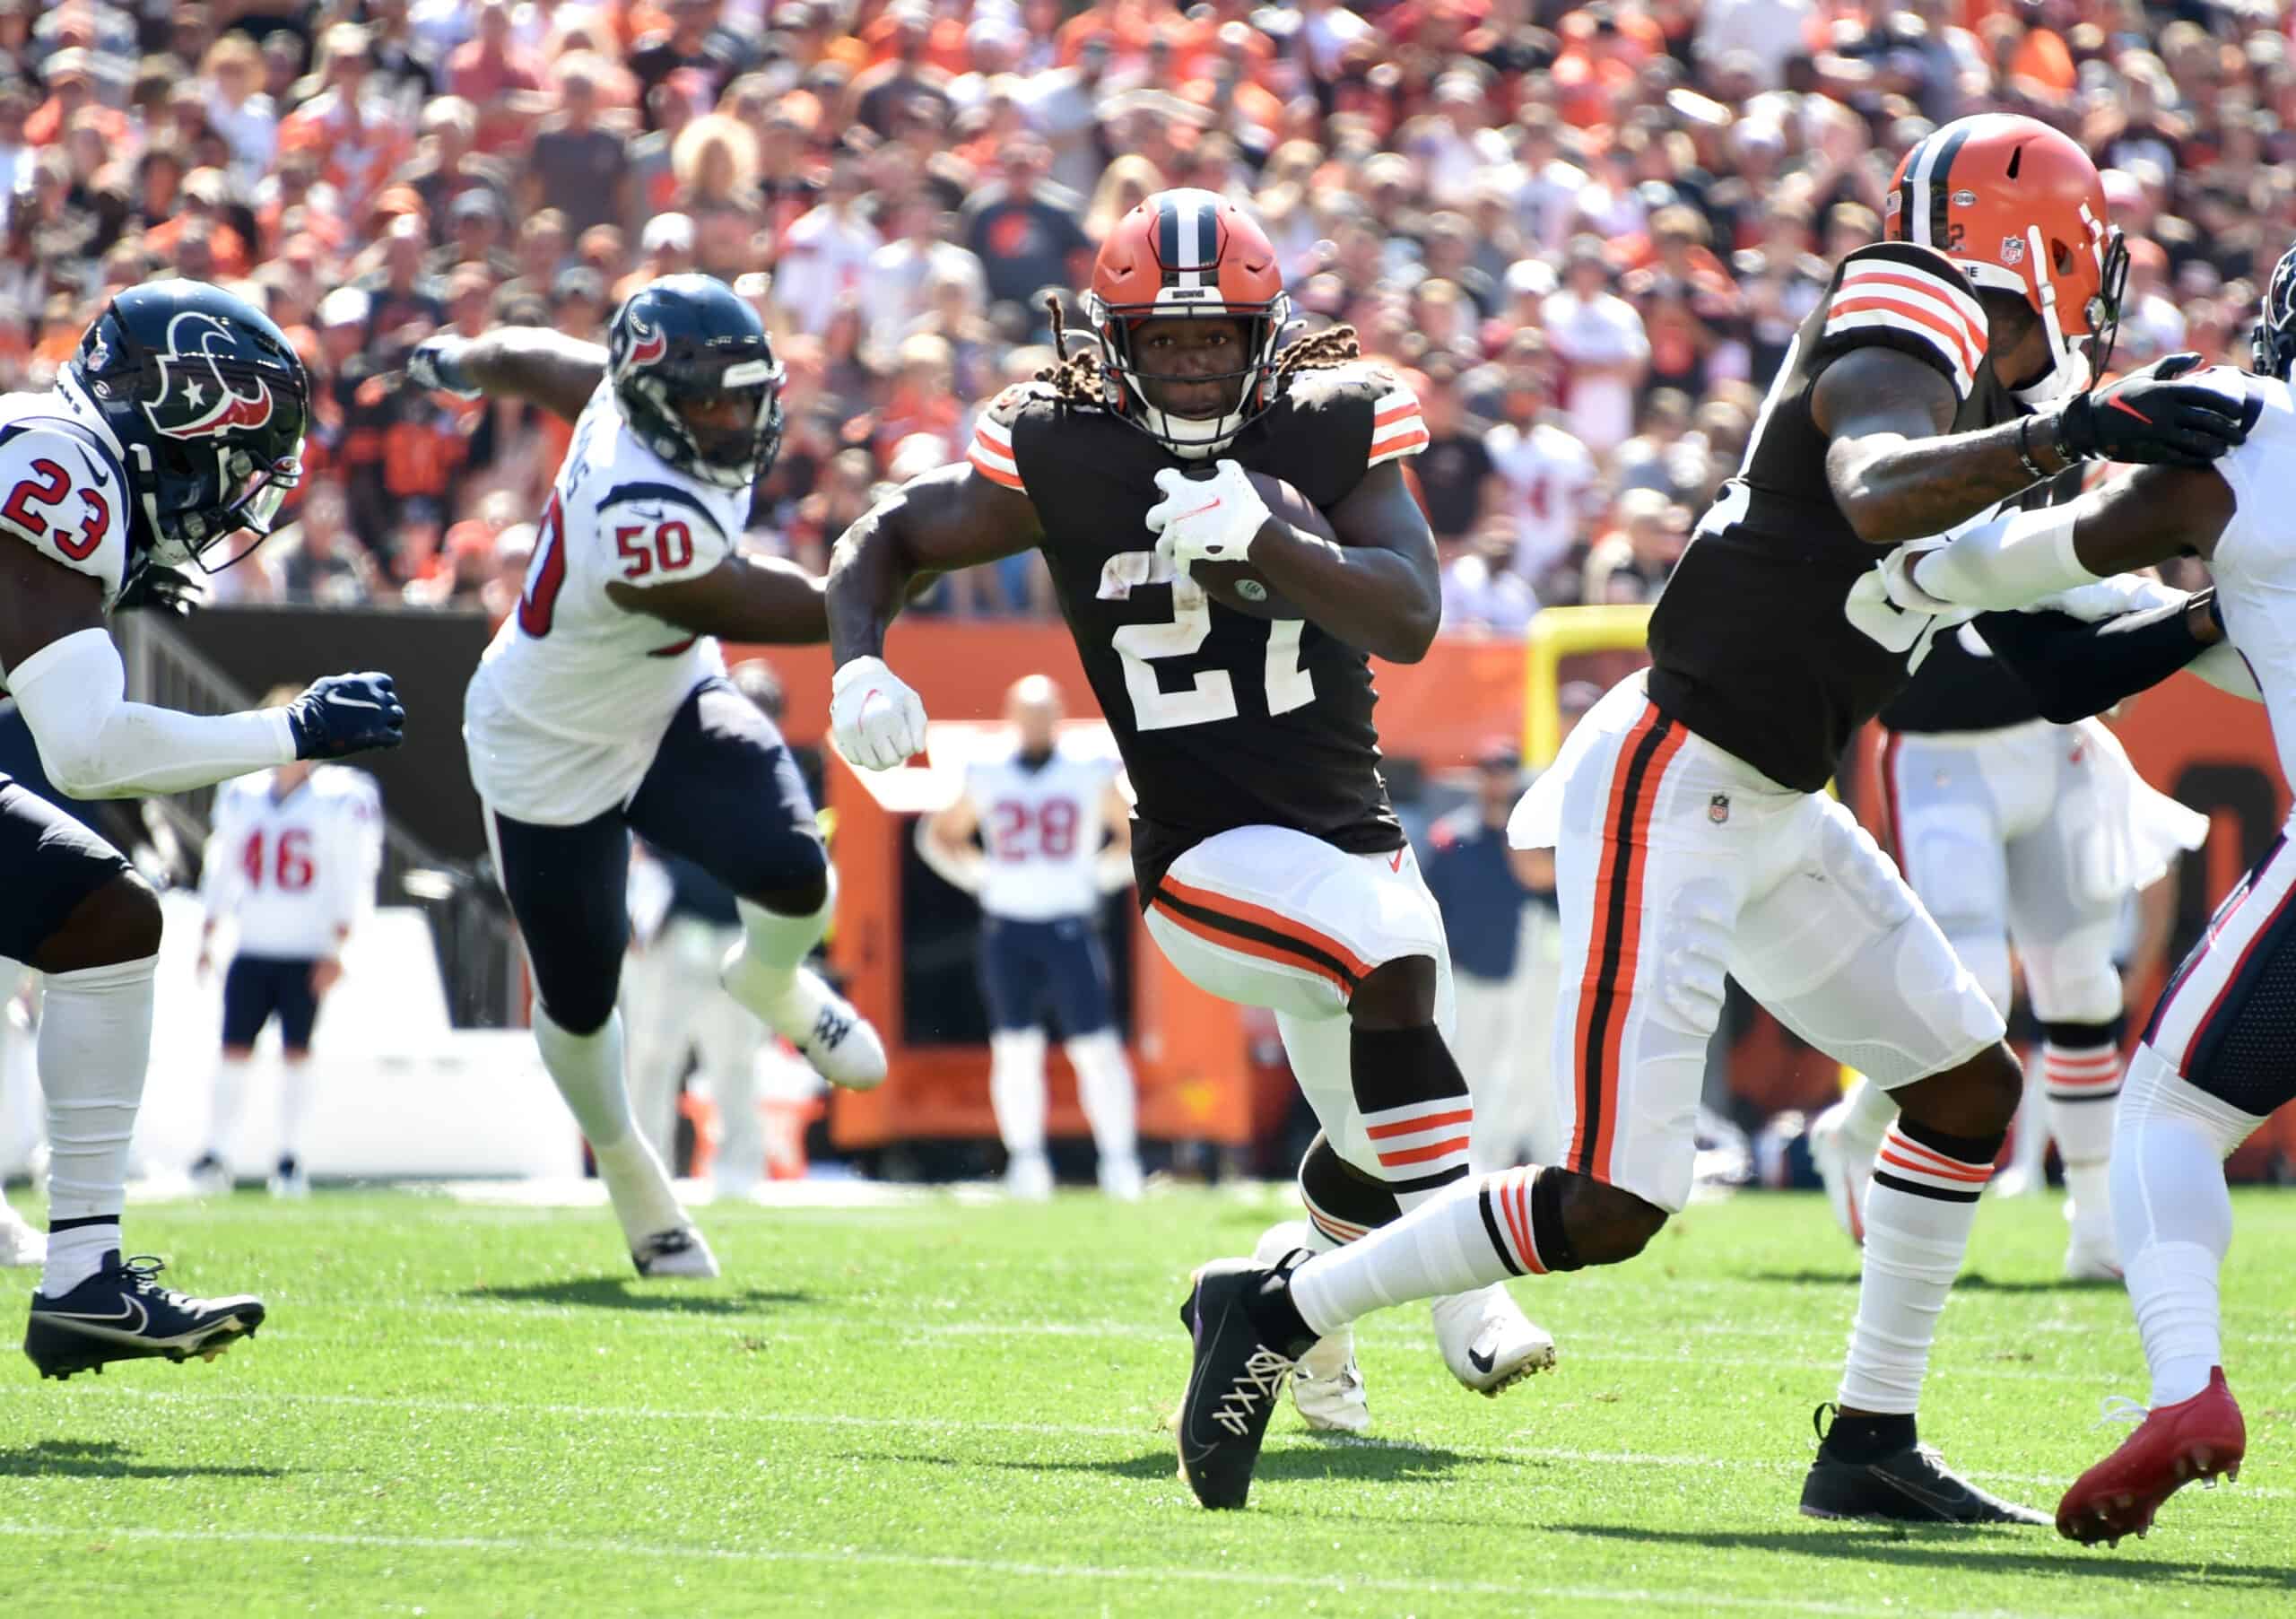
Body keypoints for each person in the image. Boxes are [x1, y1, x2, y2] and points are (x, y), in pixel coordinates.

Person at [1152, 116, 2257, 1513]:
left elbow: (2061, 664)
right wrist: (2078, 431)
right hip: (1674, 777)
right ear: (2028, 242)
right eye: (2087, 256)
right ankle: (1278, 1304)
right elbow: (1868, 491)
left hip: (1779, 804)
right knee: (1614, 1201)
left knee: (1969, 1089)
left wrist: (2228, 608)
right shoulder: (1907, 303)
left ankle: (1868, 1443)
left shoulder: (2012, 440)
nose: (2097, 296)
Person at [823, 188, 1556, 1457]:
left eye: (1216, 335)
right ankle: (1469, 1296)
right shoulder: (1060, 443)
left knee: (1378, 1146)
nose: (1194, 361)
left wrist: (1270, 538)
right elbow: (893, 534)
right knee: (1395, 965)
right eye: (1164, 341)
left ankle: (1281, 1303)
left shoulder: (1335, 421)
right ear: (1111, 341)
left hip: (1347, 832)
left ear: (1267, 331)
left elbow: (1408, 614)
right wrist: (854, 661)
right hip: (1204, 852)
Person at [1870, 241, 2296, 1547]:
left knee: (2170, 1110)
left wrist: (1920, 577)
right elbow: (2225, 640)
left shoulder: (2256, 433)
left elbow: (2042, 563)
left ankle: (2186, 1394)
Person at [409, 274, 881, 1280]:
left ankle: (766, 977)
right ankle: (633, 1174)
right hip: (550, 742)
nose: (730, 417)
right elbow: (794, 608)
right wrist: (915, 549)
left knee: (797, 872)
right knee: (582, 999)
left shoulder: (624, 393)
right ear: (659, 403)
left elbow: (532, 357)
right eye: (707, 401)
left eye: (742, 394)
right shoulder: (639, 509)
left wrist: (456, 360)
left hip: (664, 698)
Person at [0, 279, 404, 1380]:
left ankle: (83, 1277)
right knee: (97, 910)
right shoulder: (59, 469)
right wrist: (292, 730)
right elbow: (85, 748)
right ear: (176, 416)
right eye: (236, 460)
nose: (232, 498)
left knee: (100, 915)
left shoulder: (52, 452)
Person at [1810, 635, 2205, 1277]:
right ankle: (1857, 1127)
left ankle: (2098, 1224)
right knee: (1975, 996)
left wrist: (2124, 635)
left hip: (2055, 743)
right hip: (1939, 753)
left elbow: (2115, 551)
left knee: (2084, 987)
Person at [916, 673, 1142, 1200]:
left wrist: (1097, 879)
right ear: (1012, 715)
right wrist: (983, 879)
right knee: (1015, 1050)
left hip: (1069, 921)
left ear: (1059, 714)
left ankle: (1120, 1162)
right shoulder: (987, 768)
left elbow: (1133, 831)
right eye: (1028, 712)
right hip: (1009, 925)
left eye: (1046, 712)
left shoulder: (1088, 767)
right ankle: (1028, 1163)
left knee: (1097, 1048)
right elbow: (940, 836)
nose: (1037, 722)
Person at [187, 702, 385, 1200]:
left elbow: (354, 873)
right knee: (234, 1049)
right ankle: (216, 1153)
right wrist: (208, 932)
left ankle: (290, 1157)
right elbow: (221, 864)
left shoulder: (341, 798)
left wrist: (340, 948)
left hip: (306, 949)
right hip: (253, 945)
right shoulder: (242, 794)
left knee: (297, 1054)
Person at [621, 658, 799, 1199]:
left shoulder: (779, 779)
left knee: (736, 1062)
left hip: (737, 936)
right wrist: (630, 909)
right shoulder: (679, 761)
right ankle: (643, 1173)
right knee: (652, 1057)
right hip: (672, 930)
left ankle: (740, 1171)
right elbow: (633, 835)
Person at [1423, 740, 1561, 1171]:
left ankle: (1533, 1163)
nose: (1496, 780)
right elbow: (1430, 903)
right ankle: (1467, 1165)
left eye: (1504, 770)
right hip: (1470, 976)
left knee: (1533, 1076)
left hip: (1528, 975)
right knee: (1468, 1075)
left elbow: (1550, 896)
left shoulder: (1533, 835)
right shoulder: (1452, 837)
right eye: (1488, 770)